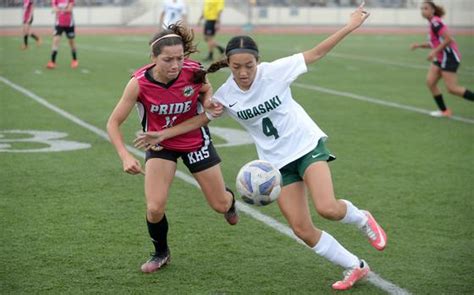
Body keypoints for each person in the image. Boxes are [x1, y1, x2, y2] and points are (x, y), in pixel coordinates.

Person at [135, 3, 387, 291]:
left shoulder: (277, 71)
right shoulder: (227, 94)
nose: (243, 73)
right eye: (236, 67)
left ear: (258, 62)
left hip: (306, 145)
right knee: (302, 229)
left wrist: (349, 26)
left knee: (327, 207)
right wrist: (161, 134)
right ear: (228, 65)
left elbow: (317, 52)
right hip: (276, 163)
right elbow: (201, 120)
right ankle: (356, 266)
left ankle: (363, 218)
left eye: (249, 66)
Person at [106, 23, 238, 274]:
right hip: (159, 146)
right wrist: (125, 157)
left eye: (179, 58)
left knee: (219, 205)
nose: (175, 65)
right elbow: (113, 123)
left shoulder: (194, 71)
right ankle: (161, 252)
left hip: (195, 141)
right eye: (167, 59)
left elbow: (205, 89)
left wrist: (207, 100)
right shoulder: (138, 83)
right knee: (154, 207)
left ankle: (230, 201)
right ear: (154, 58)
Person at [410, 1, 473, 117]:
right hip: (441, 57)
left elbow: (449, 39)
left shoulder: (435, 23)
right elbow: (435, 43)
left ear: (433, 10)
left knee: (452, 88)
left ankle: (445, 110)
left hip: (449, 57)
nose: (423, 11)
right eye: (422, 9)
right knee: (430, 82)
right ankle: (444, 111)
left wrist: (434, 51)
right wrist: (419, 45)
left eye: (426, 8)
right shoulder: (432, 23)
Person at [46, 0, 78, 69]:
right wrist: (63, 9)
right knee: (55, 41)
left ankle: (74, 60)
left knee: (71, 42)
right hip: (59, 23)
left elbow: (69, 9)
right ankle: (52, 62)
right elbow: (54, 9)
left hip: (69, 24)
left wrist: (59, 9)